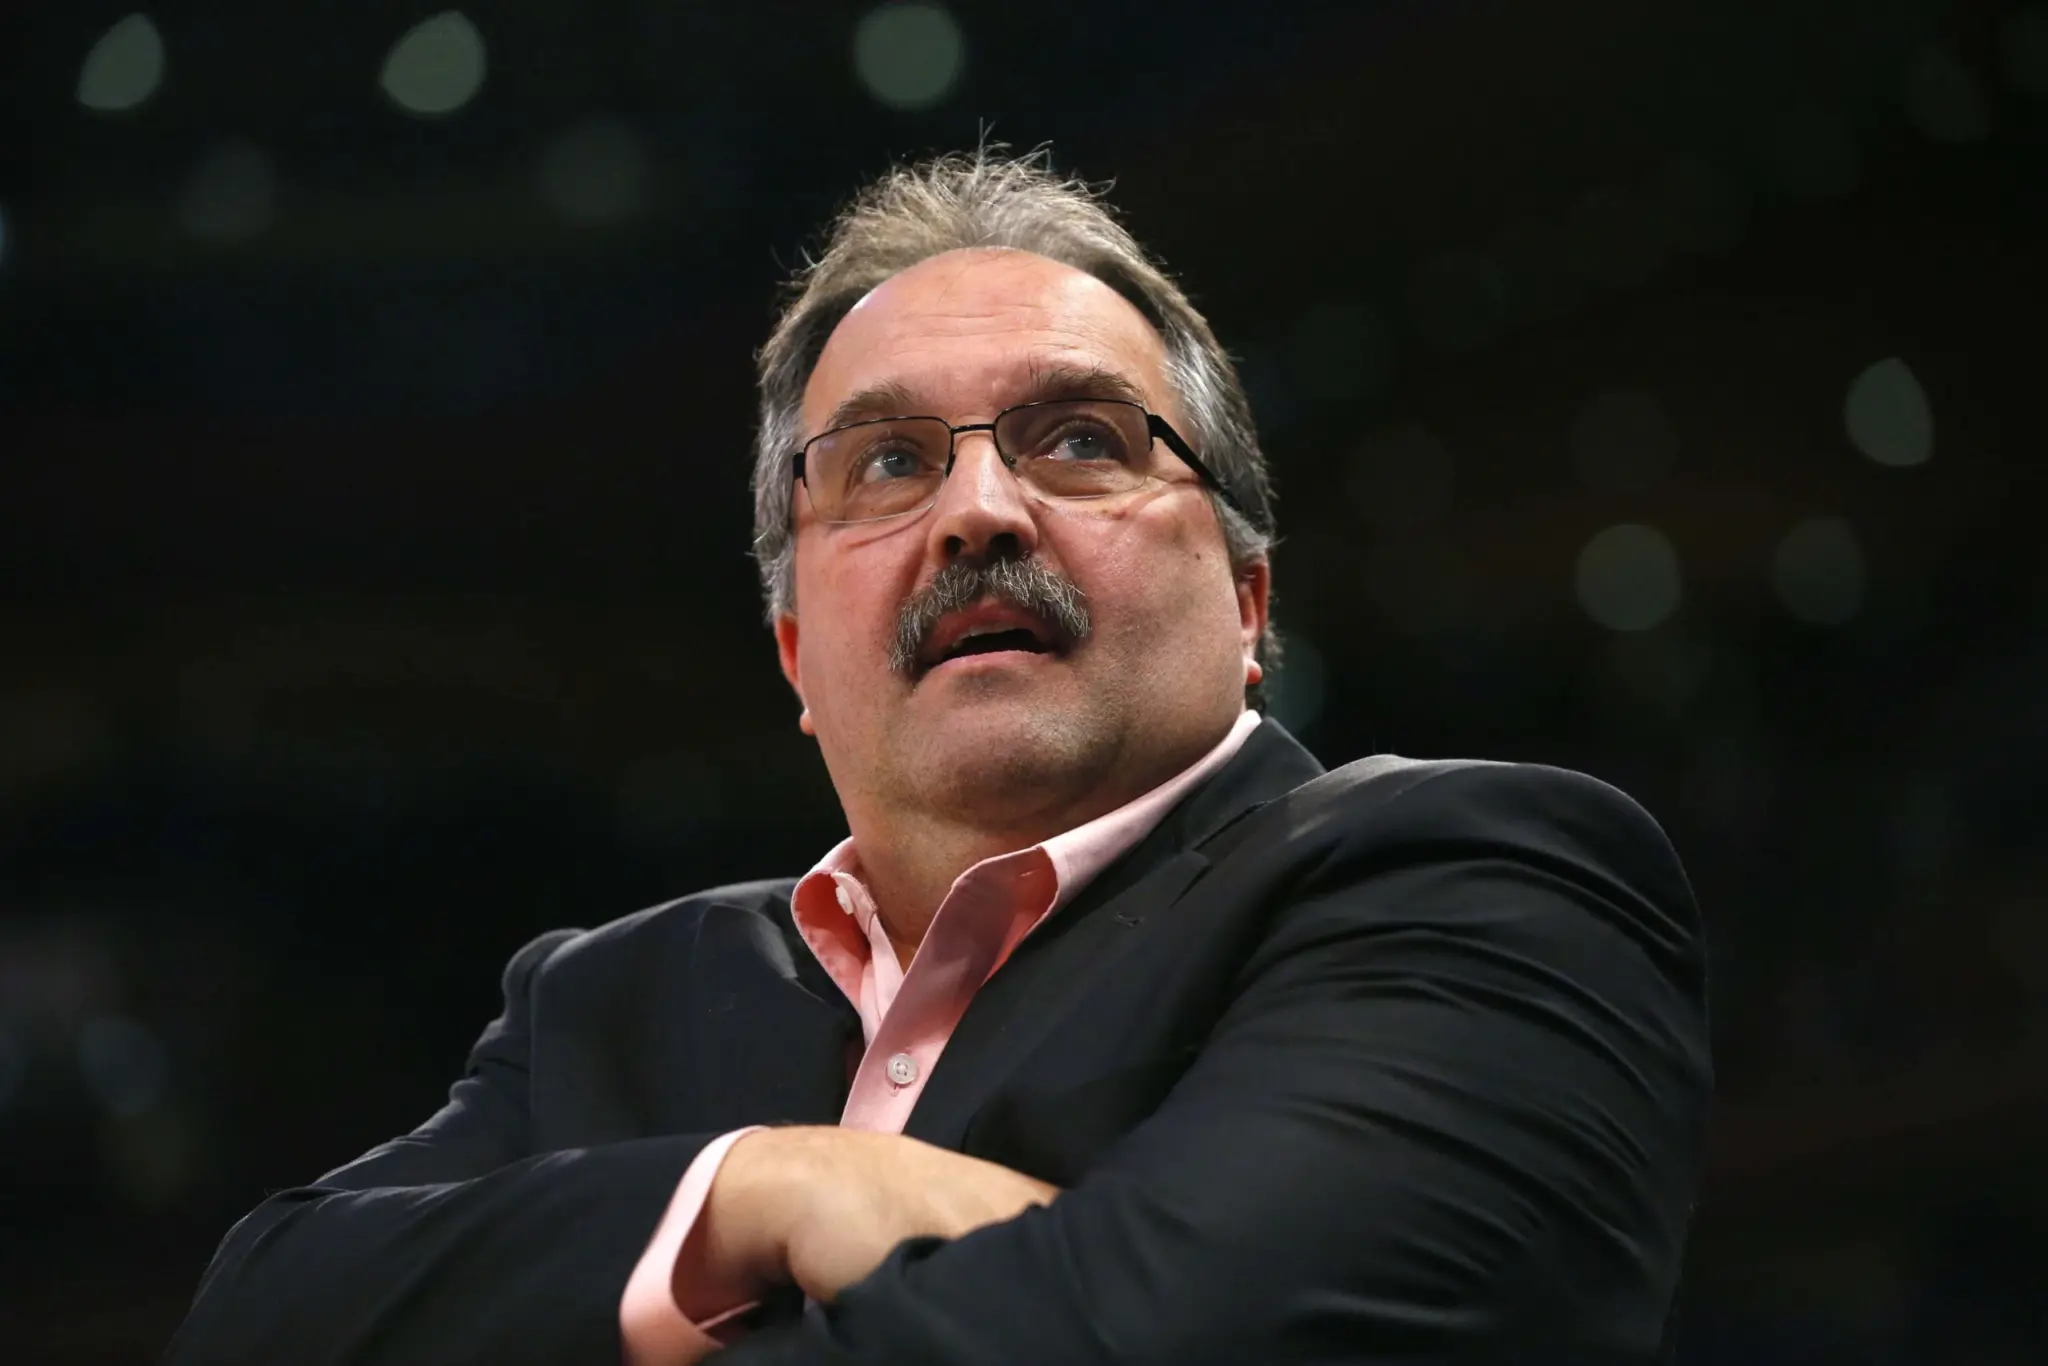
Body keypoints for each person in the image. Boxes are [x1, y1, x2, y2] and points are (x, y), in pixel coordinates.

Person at [163, 148, 1711, 1366]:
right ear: (795, 655)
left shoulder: (1476, 887)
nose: (978, 511)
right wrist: (765, 1189)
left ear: (1249, 600)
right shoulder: (603, 1001)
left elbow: (1167, 1336)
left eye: (1083, 439)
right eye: (890, 462)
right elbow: (254, 1316)